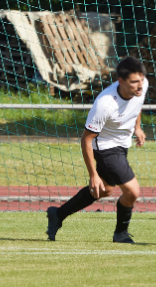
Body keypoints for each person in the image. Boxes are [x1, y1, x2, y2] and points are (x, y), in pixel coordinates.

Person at [45, 56, 148, 244]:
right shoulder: (104, 104)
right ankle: (121, 234)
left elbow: (137, 104)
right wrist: (93, 174)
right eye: (134, 82)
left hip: (123, 144)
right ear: (121, 81)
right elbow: (86, 139)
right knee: (132, 191)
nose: (140, 85)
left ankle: (58, 214)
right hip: (106, 147)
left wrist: (137, 128)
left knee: (104, 190)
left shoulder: (141, 86)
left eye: (141, 79)